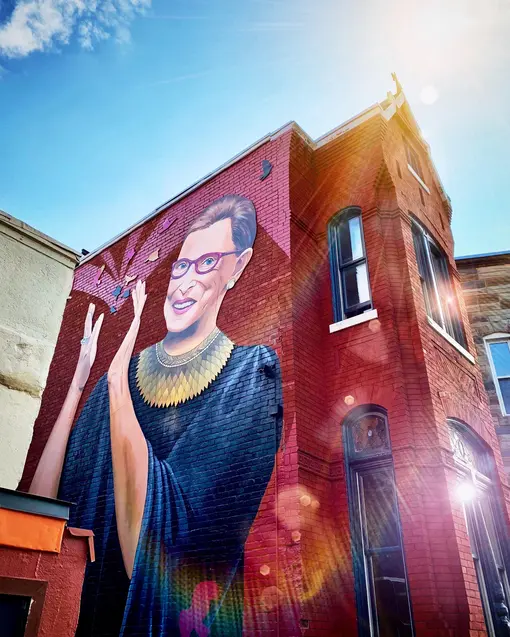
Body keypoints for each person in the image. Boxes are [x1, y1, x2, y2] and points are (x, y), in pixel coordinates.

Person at [29, 195, 283, 637]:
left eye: (206, 263)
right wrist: (77, 383)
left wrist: (115, 379)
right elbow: (42, 520)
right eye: (181, 266)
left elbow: (149, 556)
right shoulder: (121, 377)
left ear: (238, 267)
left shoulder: (249, 378)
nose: (183, 282)